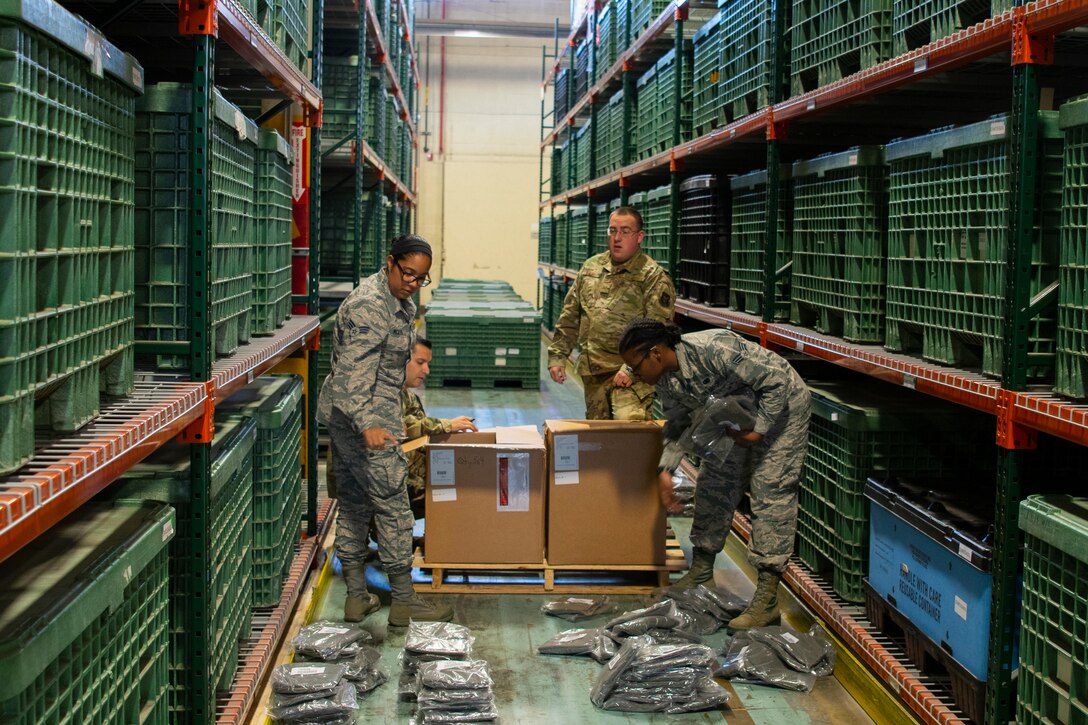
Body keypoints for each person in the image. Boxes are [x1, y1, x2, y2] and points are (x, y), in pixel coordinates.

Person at [618, 318, 811, 630]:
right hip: (734, 415)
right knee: (713, 481)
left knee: (769, 491)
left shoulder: (714, 348)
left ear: (655, 353)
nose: (636, 376)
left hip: (781, 411)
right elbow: (678, 421)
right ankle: (703, 569)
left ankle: (767, 599)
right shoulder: (667, 379)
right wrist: (665, 468)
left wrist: (759, 430)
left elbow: (777, 381)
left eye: (636, 368)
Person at [316, 234, 454, 626]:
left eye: (421, 278)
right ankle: (404, 600)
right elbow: (352, 374)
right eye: (407, 273)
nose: (412, 282)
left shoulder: (397, 301)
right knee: (394, 507)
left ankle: (356, 598)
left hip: (361, 415)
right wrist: (369, 424)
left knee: (356, 503)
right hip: (364, 419)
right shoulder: (370, 307)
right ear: (390, 262)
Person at [547, 206, 675, 420]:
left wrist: (631, 369)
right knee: (600, 441)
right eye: (612, 230)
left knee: (628, 435)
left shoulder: (652, 277)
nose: (617, 238)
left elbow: (657, 331)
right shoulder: (591, 268)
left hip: (630, 377)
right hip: (593, 373)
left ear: (639, 237)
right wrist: (558, 356)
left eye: (625, 231)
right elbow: (570, 315)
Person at [402, 337, 478, 519]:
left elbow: (420, 436)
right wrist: (445, 425)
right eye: (420, 362)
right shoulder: (382, 394)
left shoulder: (408, 396)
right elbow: (403, 427)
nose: (426, 370)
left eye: (428, 364)